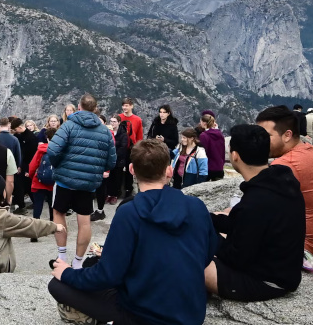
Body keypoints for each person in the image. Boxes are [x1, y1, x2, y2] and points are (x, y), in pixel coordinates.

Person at [49, 139, 218, 325]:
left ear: (131, 170)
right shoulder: (197, 206)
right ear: (169, 171)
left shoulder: (129, 212)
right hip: (192, 314)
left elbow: (106, 276)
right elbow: (207, 255)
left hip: (143, 315)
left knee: (57, 285)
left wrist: (67, 273)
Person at [205, 124, 306, 301]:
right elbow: (243, 224)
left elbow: (235, 258)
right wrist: (207, 218)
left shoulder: (255, 202)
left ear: (235, 156)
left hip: (265, 281)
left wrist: (209, 237)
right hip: (282, 271)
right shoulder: (280, 181)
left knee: (190, 260)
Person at [256, 106, 313, 258]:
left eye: (265, 136)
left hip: (302, 246)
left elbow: (256, 210)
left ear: (287, 135)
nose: (259, 141)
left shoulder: (286, 164)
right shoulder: (309, 150)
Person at [47, 94, 116, 269]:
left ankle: (61, 257)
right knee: (84, 221)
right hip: (88, 184)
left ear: (79, 107)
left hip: (64, 181)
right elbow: (111, 161)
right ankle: (78, 262)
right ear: (95, 109)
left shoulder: (68, 125)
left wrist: (58, 166)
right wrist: (96, 169)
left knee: (58, 214)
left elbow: (53, 150)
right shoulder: (104, 131)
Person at [27, 128, 58, 240]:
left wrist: (33, 177)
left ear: (47, 138)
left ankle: (34, 232)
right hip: (53, 183)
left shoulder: (41, 150)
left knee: (38, 206)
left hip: (39, 182)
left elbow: (32, 166)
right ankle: (53, 228)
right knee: (52, 205)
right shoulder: (60, 150)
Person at [118, 98, 144, 197]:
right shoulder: (119, 117)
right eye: (123, 105)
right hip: (120, 147)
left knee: (130, 169)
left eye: (127, 105)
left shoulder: (137, 120)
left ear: (131, 106)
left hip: (131, 148)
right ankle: (116, 191)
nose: (124, 107)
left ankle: (128, 190)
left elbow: (139, 136)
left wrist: (137, 149)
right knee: (118, 169)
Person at [13, 117, 39, 213]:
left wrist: (28, 169)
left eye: (15, 129)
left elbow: (32, 155)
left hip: (28, 165)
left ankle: (23, 206)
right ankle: (27, 204)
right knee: (25, 185)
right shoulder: (20, 135)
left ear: (19, 127)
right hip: (23, 164)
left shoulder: (31, 138)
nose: (15, 131)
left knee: (24, 185)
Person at [104, 115, 131, 205]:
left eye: (114, 121)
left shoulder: (123, 134)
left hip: (118, 160)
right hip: (109, 159)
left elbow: (123, 147)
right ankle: (108, 194)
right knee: (109, 178)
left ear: (119, 123)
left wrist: (114, 155)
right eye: (111, 121)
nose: (112, 123)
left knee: (117, 178)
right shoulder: (108, 132)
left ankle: (115, 195)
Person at [0, 116, 23, 207]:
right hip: (10, 166)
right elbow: (18, 154)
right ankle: (8, 202)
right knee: (9, 185)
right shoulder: (14, 139)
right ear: (8, 125)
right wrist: (18, 166)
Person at [199, 113, 227, 181]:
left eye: (201, 122)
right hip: (219, 167)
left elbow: (203, 152)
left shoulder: (204, 135)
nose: (200, 123)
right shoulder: (220, 134)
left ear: (204, 123)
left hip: (208, 167)